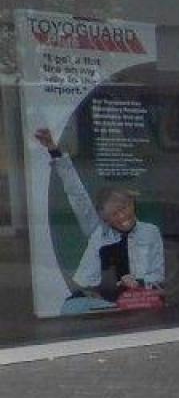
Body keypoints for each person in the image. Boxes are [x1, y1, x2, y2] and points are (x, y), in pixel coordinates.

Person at [34, 128, 165, 304]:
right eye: (114, 214)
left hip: (135, 299)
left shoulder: (150, 231)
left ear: (133, 204)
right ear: (105, 218)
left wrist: (138, 282)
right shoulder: (97, 229)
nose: (122, 216)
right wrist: (54, 150)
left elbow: (158, 274)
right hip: (96, 297)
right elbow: (76, 194)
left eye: (125, 207)